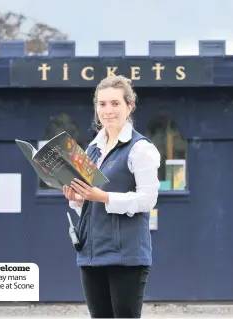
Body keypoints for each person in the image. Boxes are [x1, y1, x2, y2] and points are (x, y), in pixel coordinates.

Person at [63, 75, 160, 318]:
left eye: (115, 103)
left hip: (126, 256)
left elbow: (148, 200)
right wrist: (77, 198)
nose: (108, 110)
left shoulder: (141, 149)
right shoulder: (91, 150)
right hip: (91, 254)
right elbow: (88, 206)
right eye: (102, 104)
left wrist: (103, 197)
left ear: (130, 106)